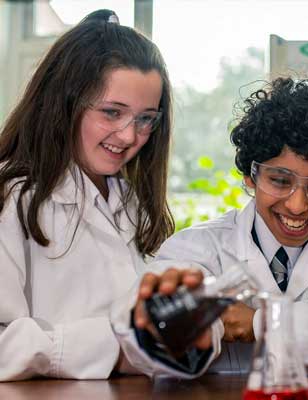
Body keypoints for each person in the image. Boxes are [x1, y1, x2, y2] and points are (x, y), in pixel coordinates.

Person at [116, 77, 308, 378]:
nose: (297, 206)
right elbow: (146, 346)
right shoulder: (197, 248)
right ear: (250, 176)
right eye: (280, 181)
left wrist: (258, 323)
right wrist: (186, 328)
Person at [0, 9, 176, 381]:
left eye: (146, 119)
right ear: (62, 104)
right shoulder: (12, 197)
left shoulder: (132, 204)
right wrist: (114, 350)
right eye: (112, 112)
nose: (130, 136)